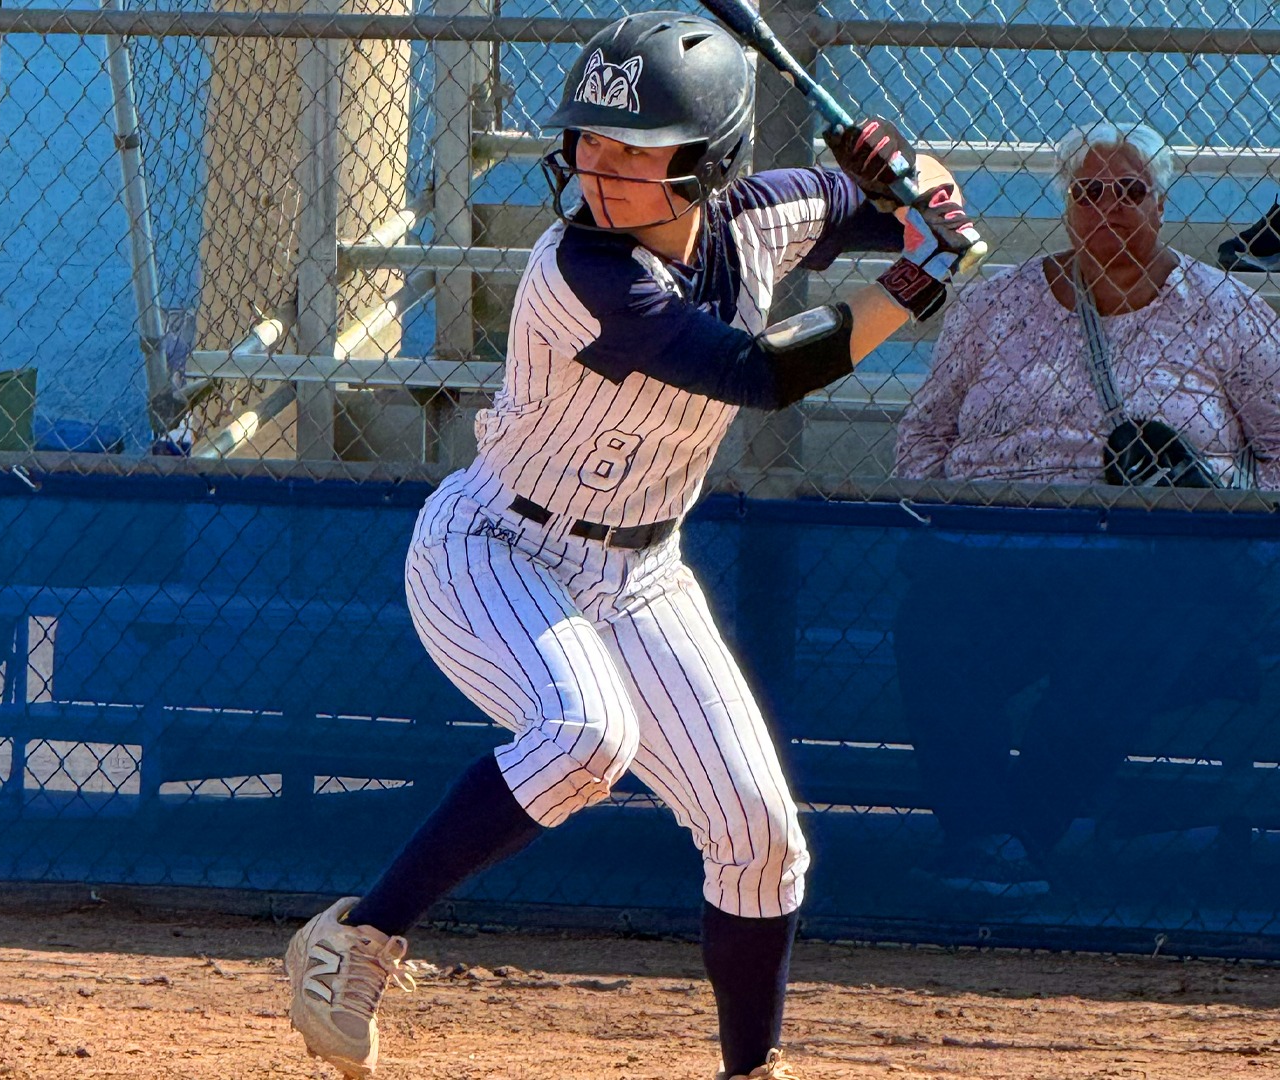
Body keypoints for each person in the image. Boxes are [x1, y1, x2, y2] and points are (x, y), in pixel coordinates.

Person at [282, 13, 982, 1080]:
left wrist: (912, 177)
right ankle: (358, 937)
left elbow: (905, 207)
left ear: (708, 164)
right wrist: (915, 283)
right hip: (497, 550)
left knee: (761, 840)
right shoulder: (582, 271)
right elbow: (761, 374)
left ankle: (752, 1071)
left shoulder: (766, 213)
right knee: (583, 737)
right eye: (590, 143)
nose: (597, 169)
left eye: (632, 150)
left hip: (641, 572)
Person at [892, 120, 1280, 896]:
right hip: (996, 548)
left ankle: (1003, 843)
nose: (1109, 208)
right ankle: (991, 841)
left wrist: (1217, 506)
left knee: (1135, 636)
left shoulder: (1229, 311)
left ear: (1163, 204)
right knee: (929, 629)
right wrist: (947, 515)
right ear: (1066, 205)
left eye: (1130, 191)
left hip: (1144, 558)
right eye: (1089, 192)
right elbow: (924, 432)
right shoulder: (991, 304)